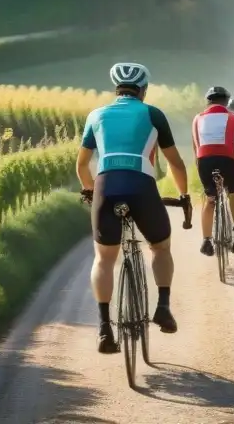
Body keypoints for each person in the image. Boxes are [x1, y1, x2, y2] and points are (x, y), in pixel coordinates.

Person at [77, 62, 193, 355]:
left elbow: (81, 165)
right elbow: (175, 163)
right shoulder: (152, 114)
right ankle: (163, 308)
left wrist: (92, 193)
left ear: (116, 89)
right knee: (160, 247)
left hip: (105, 185)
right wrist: (184, 196)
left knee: (104, 259)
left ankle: (104, 328)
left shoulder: (96, 115)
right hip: (141, 185)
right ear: (143, 90)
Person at [192, 86, 234, 257]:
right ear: (227, 102)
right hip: (227, 160)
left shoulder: (197, 119)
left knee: (210, 199)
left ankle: (206, 240)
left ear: (208, 102)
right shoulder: (232, 118)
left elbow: (196, 148)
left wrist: (200, 168)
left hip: (204, 162)